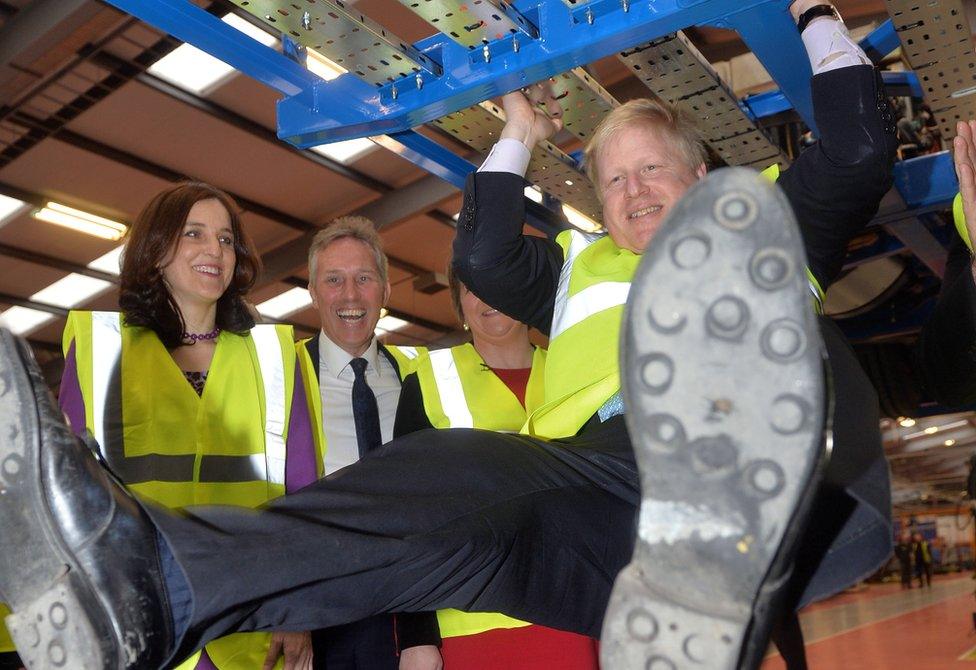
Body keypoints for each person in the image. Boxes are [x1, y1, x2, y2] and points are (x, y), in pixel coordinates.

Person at [0, 4, 896, 669]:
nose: (632, 192)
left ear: (702, 173)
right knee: (434, 481)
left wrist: (810, 12)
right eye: (613, 180)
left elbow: (857, 143)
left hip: (748, 442)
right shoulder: (581, 267)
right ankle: (159, 586)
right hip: (604, 483)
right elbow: (486, 256)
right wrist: (514, 135)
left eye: (652, 168)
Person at [57, 182, 319, 670]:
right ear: (155, 251)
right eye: (194, 234)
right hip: (139, 617)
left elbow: (303, 494)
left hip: (250, 620)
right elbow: (69, 493)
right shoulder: (100, 350)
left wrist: (298, 608)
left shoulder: (275, 358)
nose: (214, 250)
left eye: (225, 239)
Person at [393, 268, 600, 669]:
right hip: (471, 623)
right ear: (459, 305)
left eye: (497, 278)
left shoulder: (575, 373)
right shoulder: (429, 381)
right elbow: (405, 518)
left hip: (571, 612)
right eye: (471, 287)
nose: (487, 296)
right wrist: (416, 637)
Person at [294, 217, 442, 670]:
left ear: (386, 291)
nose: (351, 295)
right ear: (315, 293)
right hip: (315, 611)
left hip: (403, 610)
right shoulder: (283, 379)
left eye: (364, 278)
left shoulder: (421, 379)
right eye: (334, 280)